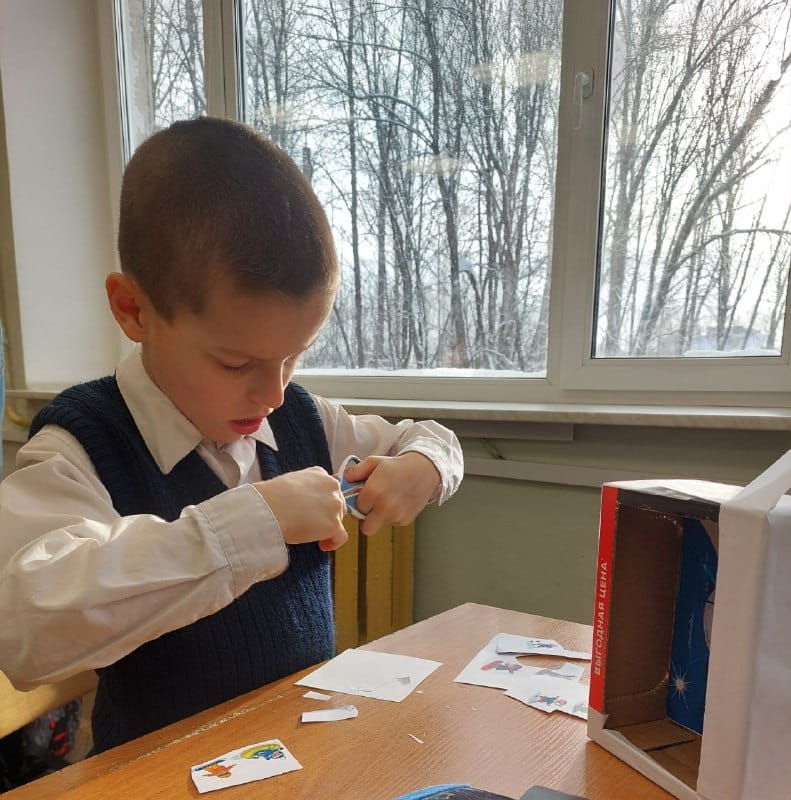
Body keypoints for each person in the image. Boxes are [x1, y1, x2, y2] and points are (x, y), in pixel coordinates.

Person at [0, 117, 463, 755]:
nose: (273, 394)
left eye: (294, 356)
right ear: (133, 310)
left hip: (301, 759)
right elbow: (23, 625)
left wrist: (423, 468)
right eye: (236, 364)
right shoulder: (79, 444)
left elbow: (430, 438)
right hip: (157, 777)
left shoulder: (302, 418)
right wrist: (253, 525)